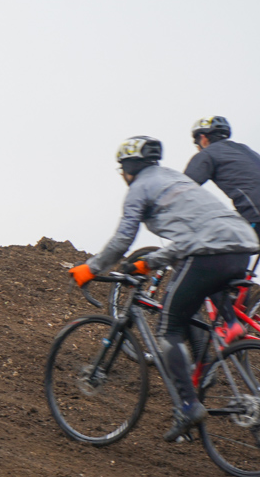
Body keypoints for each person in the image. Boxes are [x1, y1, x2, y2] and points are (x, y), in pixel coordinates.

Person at [69, 136, 260, 442]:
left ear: (129, 168)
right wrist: (151, 262)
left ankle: (187, 406)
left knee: (169, 330)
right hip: (241, 247)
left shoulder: (139, 189)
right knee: (203, 298)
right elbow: (190, 235)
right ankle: (232, 326)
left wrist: (90, 268)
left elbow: (123, 240)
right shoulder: (173, 178)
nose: (121, 174)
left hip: (208, 253)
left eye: (121, 168)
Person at [184, 115, 260, 228]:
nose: (198, 148)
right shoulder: (245, 149)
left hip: (255, 212)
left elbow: (184, 186)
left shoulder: (207, 154)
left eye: (196, 143)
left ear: (203, 137)